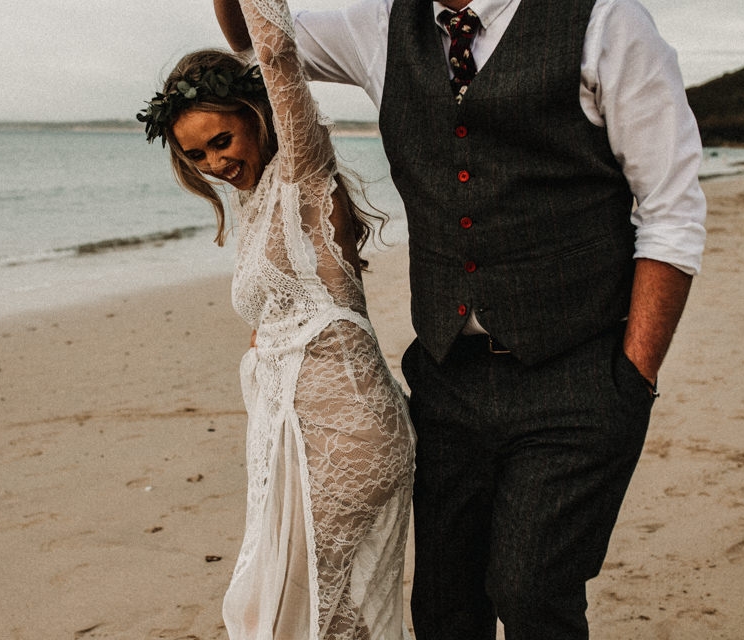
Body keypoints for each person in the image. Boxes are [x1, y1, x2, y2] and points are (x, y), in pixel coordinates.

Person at [215, 0, 707, 638]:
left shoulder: (606, 20)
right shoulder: (380, 28)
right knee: (446, 606)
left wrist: (634, 376)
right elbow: (256, 39)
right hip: (450, 377)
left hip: (578, 372)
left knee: (531, 593)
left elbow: (670, 210)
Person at [138, 0, 417, 637]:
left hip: (345, 430)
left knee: (298, 613)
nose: (214, 163)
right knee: (321, 611)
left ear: (261, 117)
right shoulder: (257, 198)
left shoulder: (301, 176)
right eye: (196, 155)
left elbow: (274, 51)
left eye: (222, 140)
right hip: (300, 426)